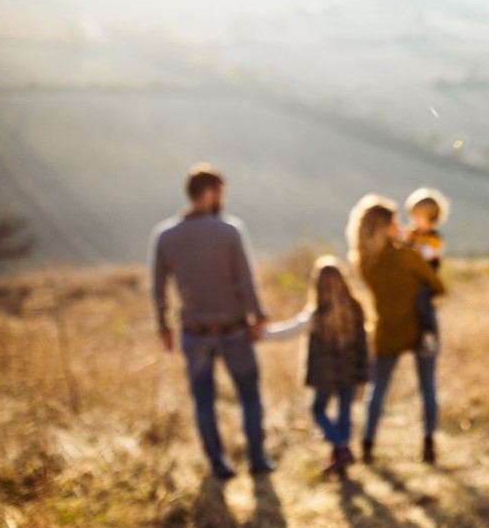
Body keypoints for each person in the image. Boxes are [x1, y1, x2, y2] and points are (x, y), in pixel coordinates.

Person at [150, 163, 274, 479]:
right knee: (249, 394)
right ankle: (257, 459)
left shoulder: (166, 235)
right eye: (221, 193)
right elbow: (245, 281)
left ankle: (218, 464)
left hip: (193, 333)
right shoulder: (229, 230)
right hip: (233, 329)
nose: (223, 199)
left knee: (203, 401)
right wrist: (258, 316)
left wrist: (163, 327)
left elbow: (158, 288)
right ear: (209, 193)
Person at [346, 194, 447, 465]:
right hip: (421, 328)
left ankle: (367, 445)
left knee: (377, 389)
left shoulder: (363, 262)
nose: (401, 225)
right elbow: (438, 286)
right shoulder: (407, 256)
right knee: (427, 387)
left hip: (387, 329)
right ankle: (428, 445)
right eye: (395, 221)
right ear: (385, 226)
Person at [264, 255, 370, 476]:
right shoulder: (355, 308)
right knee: (344, 413)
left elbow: (290, 330)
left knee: (317, 409)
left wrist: (262, 334)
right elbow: (363, 343)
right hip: (350, 371)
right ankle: (341, 453)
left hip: (325, 375)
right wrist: (364, 370)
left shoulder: (317, 313)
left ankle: (340, 448)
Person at [403, 187, 450, 355]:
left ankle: (428, 334)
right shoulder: (411, 233)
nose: (414, 220)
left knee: (423, 302)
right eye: (413, 216)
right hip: (412, 279)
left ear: (431, 217)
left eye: (418, 216)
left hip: (427, 280)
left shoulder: (435, 238)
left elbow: (428, 255)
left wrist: (412, 247)